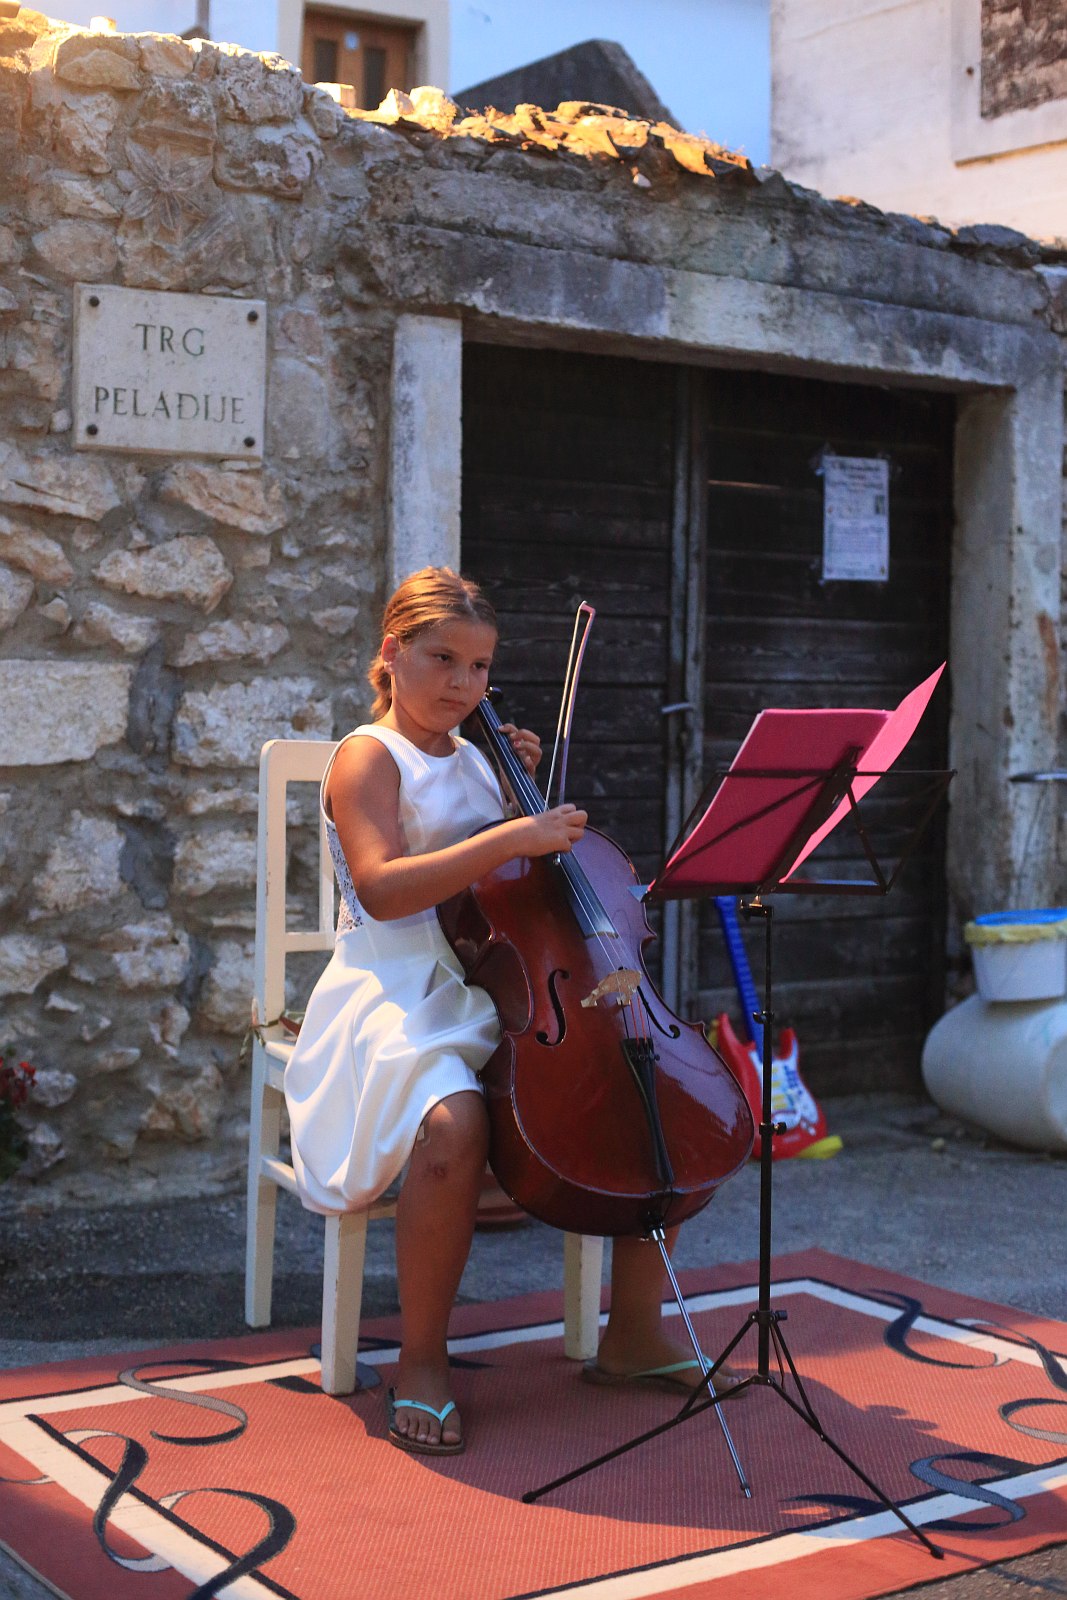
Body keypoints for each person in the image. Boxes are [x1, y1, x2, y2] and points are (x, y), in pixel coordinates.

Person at [284, 566, 733, 1458]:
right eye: (441, 659)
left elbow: (509, 894)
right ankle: (422, 1359)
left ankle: (634, 1333)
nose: (463, 684)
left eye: (480, 666)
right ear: (391, 653)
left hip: (496, 981)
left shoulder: (479, 759)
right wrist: (510, 834)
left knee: (641, 1081)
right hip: (393, 987)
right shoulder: (368, 755)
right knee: (452, 1124)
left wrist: (511, 791)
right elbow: (380, 890)